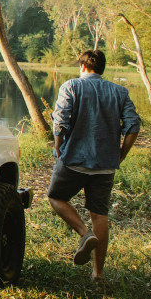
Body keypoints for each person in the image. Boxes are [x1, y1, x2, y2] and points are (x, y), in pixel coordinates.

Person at [47, 49, 141, 283]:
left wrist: (58, 147)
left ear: (82, 66)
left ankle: (84, 233)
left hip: (74, 161)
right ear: (102, 69)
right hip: (105, 165)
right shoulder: (119, 92)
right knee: (100, 215)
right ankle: (98, 274)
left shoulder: (71, 86)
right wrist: (121, 154)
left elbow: (60, 120)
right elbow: (133, 126)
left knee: (56, 197)